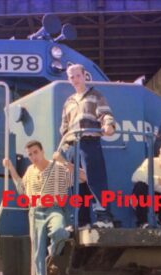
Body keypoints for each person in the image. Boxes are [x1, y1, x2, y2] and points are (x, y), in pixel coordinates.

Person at [3, 140, 81, 275]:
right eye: (30, 154)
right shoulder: (30, 171)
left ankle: (52, 254)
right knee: (37, 252)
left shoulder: (57, 167)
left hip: (54, 209)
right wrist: (10, 167)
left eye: (35, 152)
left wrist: (64, 161)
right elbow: (21, 188)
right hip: (35, 212)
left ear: (42, 151)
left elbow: (82, 178)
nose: (33, 157)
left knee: (59, 231)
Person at [60, 63, 117, 229]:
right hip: (72, 145)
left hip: (89, 142)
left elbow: (106, 114)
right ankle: (81, 220)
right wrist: (64, 143)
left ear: (85, 76)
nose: (75, 79)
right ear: (69, 80)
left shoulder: (95, 95)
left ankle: (105, 219)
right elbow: (64, 126)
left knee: (95, 179)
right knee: (76, 183)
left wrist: (108, 125)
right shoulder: (68, 102)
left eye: (78, 75)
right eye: (72, 77)